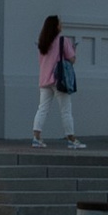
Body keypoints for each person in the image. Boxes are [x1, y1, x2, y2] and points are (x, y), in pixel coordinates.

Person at [31, 15, 82, 148]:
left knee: (42, 109)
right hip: (59, 80)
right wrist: (73, 50)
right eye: (60, 23)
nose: (62, 25)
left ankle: (36, 137)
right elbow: (71, 60)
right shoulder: (63, 41)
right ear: (56, 26)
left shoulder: (43, 42)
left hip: (44, 79)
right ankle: (71, 139)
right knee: (65, 110)